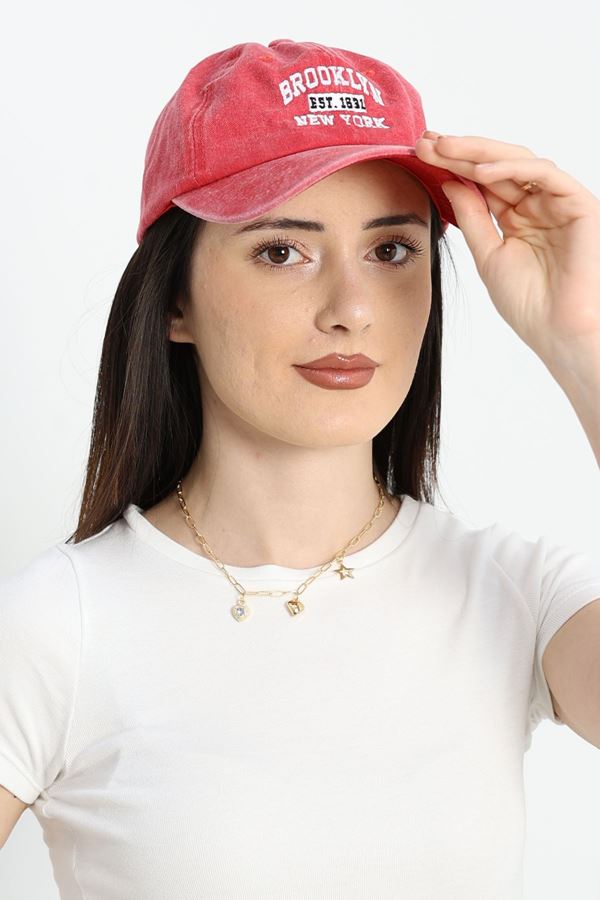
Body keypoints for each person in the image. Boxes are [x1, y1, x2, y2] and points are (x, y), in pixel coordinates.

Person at [1, 38, 600, 899]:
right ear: (175, 301)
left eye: (392, 251)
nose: (352, 310)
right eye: (282, 250)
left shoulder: (516, 594)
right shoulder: (58, 626)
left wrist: (584, 343)